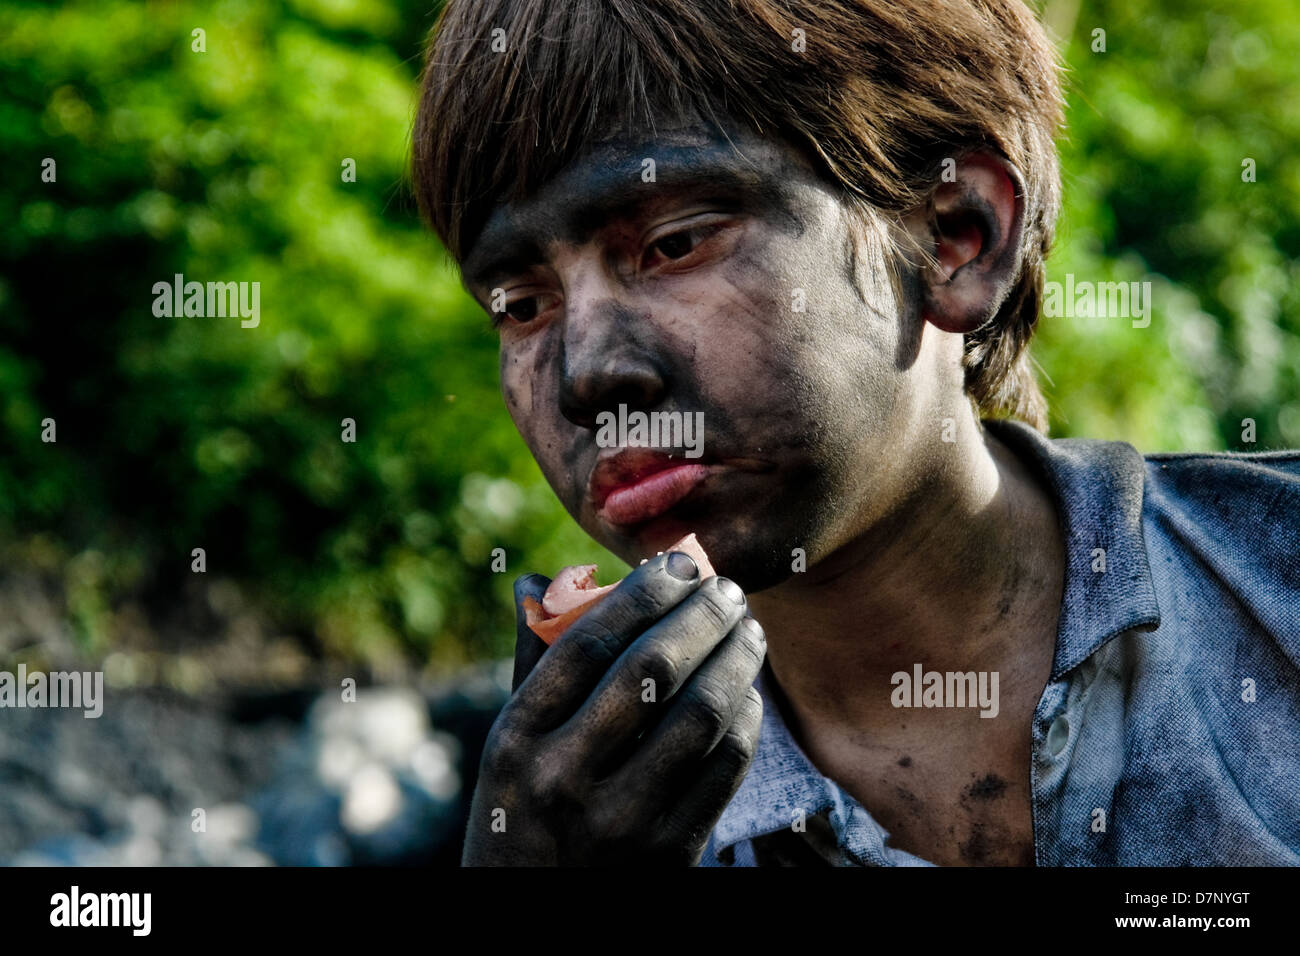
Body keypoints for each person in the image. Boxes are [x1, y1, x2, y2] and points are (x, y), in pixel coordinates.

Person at [412, 0, 1300, 865]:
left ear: (956, 236)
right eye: (523, 305)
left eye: (676, 244)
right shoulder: (583, 810)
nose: (584, 375)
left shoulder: (1274, 587)